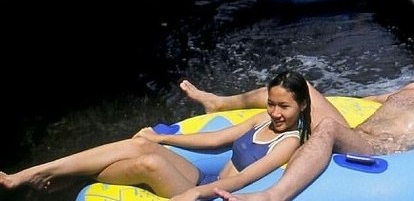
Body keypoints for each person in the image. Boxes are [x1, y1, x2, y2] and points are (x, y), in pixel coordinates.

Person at [181, 44, 414, 199]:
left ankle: (274, 195)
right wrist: (327, 105)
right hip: (357, 131)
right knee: (299, 85)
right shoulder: (410, 87)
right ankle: (218, 103)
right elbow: (362, 103)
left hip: (379, 150)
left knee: (329, 127)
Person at [0, 71, 312, 201]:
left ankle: (62, 180)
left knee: (148, 163)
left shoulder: (288, 142)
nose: (275, 113)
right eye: (271, 104)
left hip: (213, 196)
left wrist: (198, 194)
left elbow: (241, 181)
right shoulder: (262, 120)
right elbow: (216, 140)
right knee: (140, 144)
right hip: (203, 178)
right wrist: (162, 139)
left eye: (284, 106)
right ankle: (36, 175)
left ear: (302, 105)